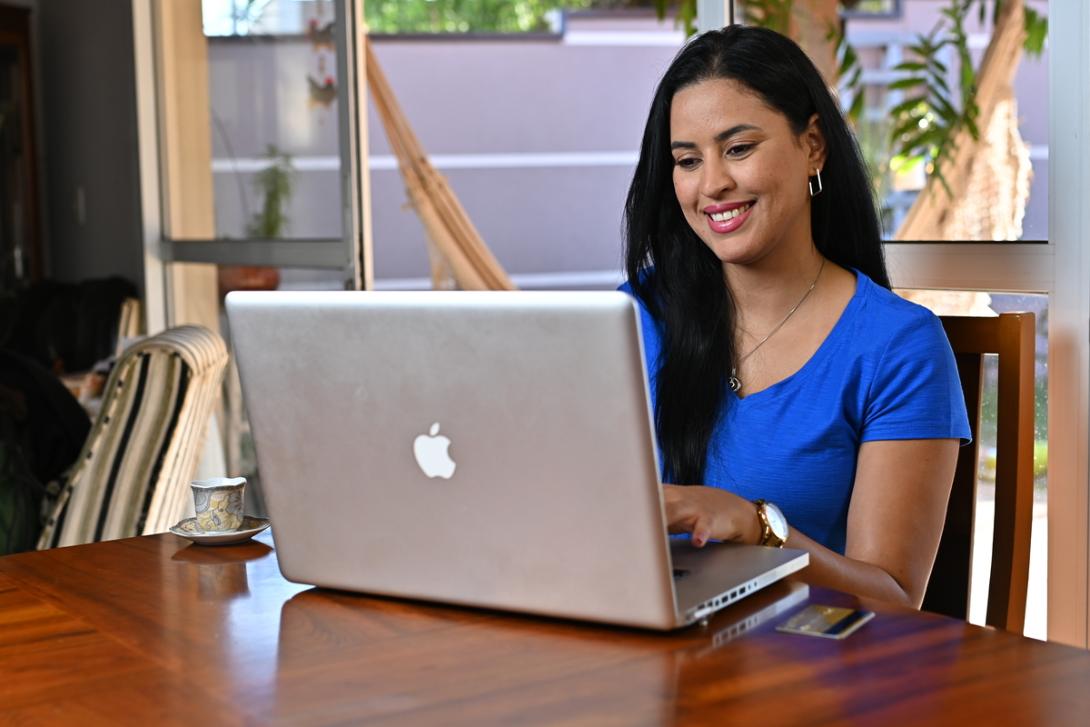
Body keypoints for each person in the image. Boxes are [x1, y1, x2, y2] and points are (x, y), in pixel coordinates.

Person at [621, 25, 970, 608]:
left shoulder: (897, 346)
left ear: (813, 145)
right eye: (687, 160)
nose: (712, 185)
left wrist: (758, 527)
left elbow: (894, 600)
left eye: (738, 149)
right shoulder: (634, 317)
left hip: (809, 676)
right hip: (639, 659)